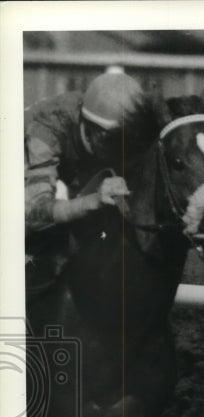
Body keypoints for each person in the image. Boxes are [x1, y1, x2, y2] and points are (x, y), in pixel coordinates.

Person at [25, 69, 143, 290]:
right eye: (118, 139)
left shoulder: (104, 124)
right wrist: (94, 200)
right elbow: (34, 214)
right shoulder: (46, 128)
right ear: (92, 130)